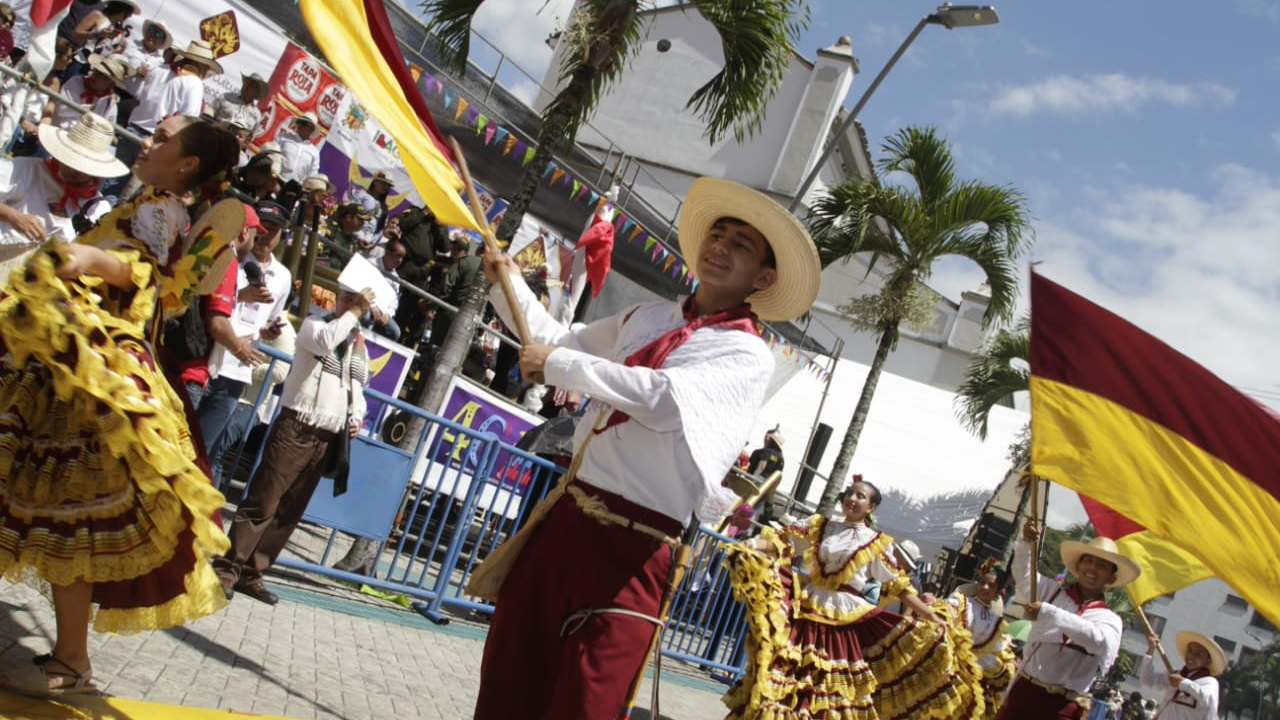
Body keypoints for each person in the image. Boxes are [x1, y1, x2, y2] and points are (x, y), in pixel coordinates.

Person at [470, 176, 821, 719]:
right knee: (511, 677)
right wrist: (507, 281)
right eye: (718, 234)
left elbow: (662, 400)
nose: (720, 247)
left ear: (765, 277)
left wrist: (562, 366)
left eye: (741, 244)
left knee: (585, 703)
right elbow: (559, 341)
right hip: (566, 518)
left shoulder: (747, 355)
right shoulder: (647, 317)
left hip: (635, 548)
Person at [0, 117, 241, 697]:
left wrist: (91, 260)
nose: (147, 142)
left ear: (184, 165)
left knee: (73, 514)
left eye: (162, 139)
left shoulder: (160, 210)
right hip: (74, 365)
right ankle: (71, 659)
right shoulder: (148, 204)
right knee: (60, 510)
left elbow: (146, 277)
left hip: (94, 376)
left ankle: (72, 661)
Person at [728, 477, 979, 720]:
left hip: (844, 616)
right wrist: (753, 544)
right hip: (808, 607)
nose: (852, 498)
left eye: (860, 496)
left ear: (871, 507)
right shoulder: (822, 526)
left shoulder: (875, 542)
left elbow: (897, 585)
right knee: (788, 671)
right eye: (850, 493)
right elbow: (786, 543)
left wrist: (928, 613)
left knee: (831, 686)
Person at [213, 286, 374, 605]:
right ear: (336, 298)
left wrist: (356, 416)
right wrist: (355, 312)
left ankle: (252, 573)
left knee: (289, 511)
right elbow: (326, 342)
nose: (349, 303)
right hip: (297, 424)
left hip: (326, 433)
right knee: (264, 499)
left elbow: (356, 386)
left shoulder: (357, 345)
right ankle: (226, 570)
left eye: (355, 299)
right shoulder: (315, 325)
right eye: (345, 296)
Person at [995, 522, 1142, 720]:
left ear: (1111, 577)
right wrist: (1025, 542)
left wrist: (1050, 612)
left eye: (1101, 565)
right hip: (1026, 692)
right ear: (1078, 566)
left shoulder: (1110, 619)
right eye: (1088, 561)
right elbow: (1023, 574)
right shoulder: (1053, 592)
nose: (1092, 568)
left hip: (1064, 706)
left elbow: (1099, 640)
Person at [200, 201, 291, 487]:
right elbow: (209, 299)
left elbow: (266, 322)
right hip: (209, 357)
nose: (265, 235)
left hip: (239, 369)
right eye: (261, 228)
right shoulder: (232, 257)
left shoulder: (284, 276)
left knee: (206, 451)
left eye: (273, 230)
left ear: (281, 235)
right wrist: (242, 295)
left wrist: (267, 331)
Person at [0, 113, 127, 285]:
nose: (74, 170)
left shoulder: (99, 209)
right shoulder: (27, 169)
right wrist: (13, 216)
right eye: (71, 161)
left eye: (82, 166)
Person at [937, 562, 1018, 719]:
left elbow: (995, 649)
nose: (985, 588)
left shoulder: (994, 619)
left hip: (971, 675)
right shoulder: (962, 602)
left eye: (991, 585)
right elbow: (945, 614)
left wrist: (1008, 663)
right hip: (949, 665)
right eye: (983, 583)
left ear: (997, 591)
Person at [1139, 630, 1222, 720]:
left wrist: (1182, 683)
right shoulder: (1176, 674)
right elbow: (1147, 679)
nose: (1191, 656)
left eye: (1198, 654)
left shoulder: (1209, 682)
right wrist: (1150, 651)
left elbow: (1206, 698)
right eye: (1190, 651)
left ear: (1208, 660)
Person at [43, 53, 128, 130]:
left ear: (111, 83)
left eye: (103, 76)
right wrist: (89, 108)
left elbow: (107, 129)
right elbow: (61, 110)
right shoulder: (76, 82)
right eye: (96, 71)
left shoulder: (110, 104)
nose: (96, 76)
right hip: (58, 131)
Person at [212, 72, 268, 138]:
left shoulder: (257, 114)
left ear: (257, 92)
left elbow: (250, 137)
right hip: (215, 137)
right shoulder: (226, 97)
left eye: (252, 86)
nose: (247, 86)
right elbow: (210, 115)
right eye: (247, 83)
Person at [276, 112, 320, 185]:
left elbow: (312, 174)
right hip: (275, 180)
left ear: (311, 128)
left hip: (295, 189)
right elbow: (271, 155)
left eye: (304, 123)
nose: (300, 125)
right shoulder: (284, 137)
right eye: (299, 122)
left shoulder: (314, 152)